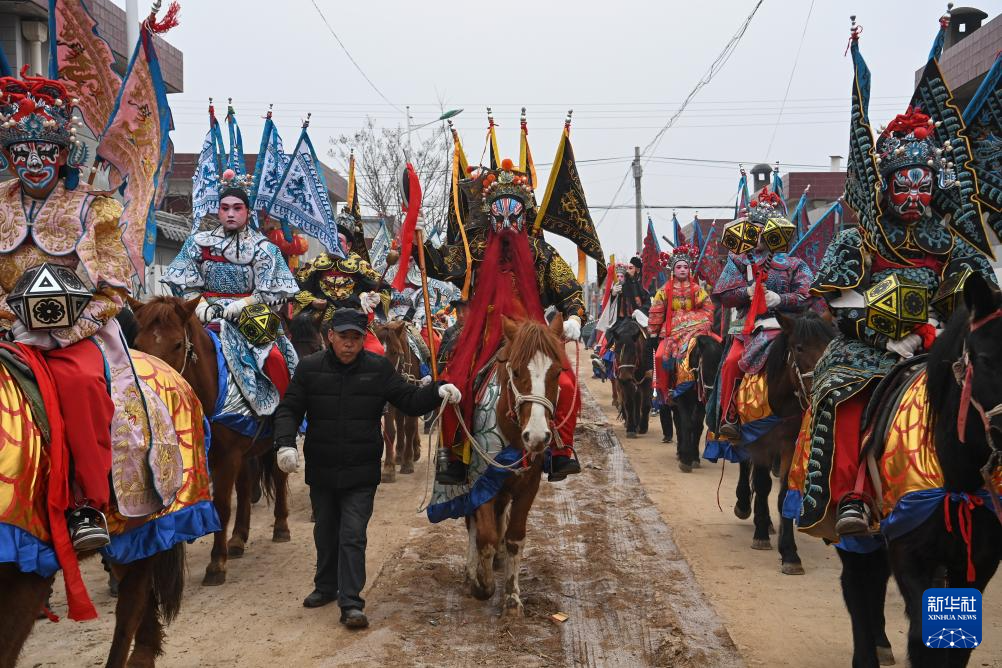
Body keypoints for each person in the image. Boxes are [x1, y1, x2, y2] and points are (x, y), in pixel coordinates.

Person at [795, 25, 998, 539]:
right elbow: (838, 300)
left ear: (936, 186)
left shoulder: (950, 241)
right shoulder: (860, 238)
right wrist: (884, 333)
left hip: (941, 343)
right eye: (902, 182)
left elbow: (969, 287)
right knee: (839, 391)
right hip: (870, 346)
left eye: (922, 183)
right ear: (884, 184)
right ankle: (854, 495)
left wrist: (945, 320)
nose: (913, 193)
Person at [0, 72, 134, 550]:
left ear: (63, 155)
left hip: (76, 334)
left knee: (79, 385)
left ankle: (86, 504)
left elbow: (116, 286)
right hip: (7, 331)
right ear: (8, 155)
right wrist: (10, 320)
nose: (33, 163)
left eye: (44, 152)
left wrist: (70, 327)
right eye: (21, 153)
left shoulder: (95, 207)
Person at [273, 309, 462, 628]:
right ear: (330, 336)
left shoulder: (378, 368)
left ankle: (351, 603)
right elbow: (289, 408)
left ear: (364, 339)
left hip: (361, 470)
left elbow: (409, 400)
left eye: (355, 338)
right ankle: (325, 586)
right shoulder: (309, 368)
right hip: (322, 466)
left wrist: (437, 390)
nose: (349, 344)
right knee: (326, 530)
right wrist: (285, 442)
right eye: (343, 337)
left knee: (353, 533)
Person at [420, 159, 589, 485]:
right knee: (455, 381)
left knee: (565, 384)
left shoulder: (542, 252)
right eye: (501, 217)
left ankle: (560, 452)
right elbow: (439, 264)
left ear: (524, 216)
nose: (508, 223)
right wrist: (421, 237)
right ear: (490, 216)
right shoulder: (473, 248)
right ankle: (452, 454)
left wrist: (574, 318)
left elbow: (569, 290)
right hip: (483, 331)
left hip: (532, 333)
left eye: (515, 216)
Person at [162, 169, 300, 425]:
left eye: (237, 208)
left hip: (250, 314)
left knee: (276, 358)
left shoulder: (264, 248)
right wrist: (201, 305)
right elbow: (186, 282)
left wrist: (243, 304)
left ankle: (283, 424)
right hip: (203, 312)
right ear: (218, 211)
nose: (230, 213)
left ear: (247, 212)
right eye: (225, 208)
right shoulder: (197, 243)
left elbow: (272, 290)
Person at [711, 190, 813, 440]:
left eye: (764, 229)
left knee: (813, 359)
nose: (758, 234)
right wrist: (746, 292)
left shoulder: (793, 264)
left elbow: (808, 293)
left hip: (786, 326)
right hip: (748, 328)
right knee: (731, 363)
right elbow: (722, 293)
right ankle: (729, 417)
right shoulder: (738, 261)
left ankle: (816, 413)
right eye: (753, 228)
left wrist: (781, 299)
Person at [292, 212, 389, 354]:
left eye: (338, 240)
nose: (333, 243)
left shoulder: (360, 265)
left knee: (377, 350)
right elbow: (295, 288)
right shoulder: (314, 264)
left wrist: (374, 298)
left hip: (353, 318)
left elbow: (384, 290)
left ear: (348, 246)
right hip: (319, 320)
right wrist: (312, 301)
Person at [648, 244, 714, 443]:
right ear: (673, 270)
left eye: (685, 267)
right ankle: (666, 390)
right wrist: (653, 332)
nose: (683, 270)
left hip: (695, 328)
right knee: (660, 356)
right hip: (671, 331)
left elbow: (708, 308)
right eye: (679, 267)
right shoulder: (664, 291)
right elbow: (657, 311)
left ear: (690, 269)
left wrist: (695, 321)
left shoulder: (697, 289)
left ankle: (711, 388)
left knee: (715, 350)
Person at [437, 297, 467, 371]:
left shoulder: (478, 333)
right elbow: (441, 358)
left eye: (464, 311)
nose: (460, 315)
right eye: (458, 312)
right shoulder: (450, 332)